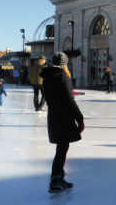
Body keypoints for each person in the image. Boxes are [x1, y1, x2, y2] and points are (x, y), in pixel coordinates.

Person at [40, 52, 84, 193]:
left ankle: (59, 177)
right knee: (62, 149)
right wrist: (80, 118)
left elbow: (50, 97)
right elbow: (69, 100)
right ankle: (55, 180)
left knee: (61, 148)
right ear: (64, 64)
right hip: (64, 117)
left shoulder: (46, 77)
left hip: (53, 116)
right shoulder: (62, 77)